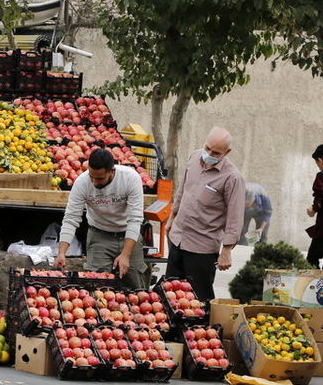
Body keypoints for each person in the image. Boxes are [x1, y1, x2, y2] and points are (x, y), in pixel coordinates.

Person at [165, 127, 245, 308]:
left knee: (198, 300)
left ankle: (201, 333)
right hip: (178, 238)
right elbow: (182, 190)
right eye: (207, 148)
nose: (209, 154)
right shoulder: (194, 158)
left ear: (227, 152)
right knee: (170, 293)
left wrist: (227, 250)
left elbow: (235, 217)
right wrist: (172, 216)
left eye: (216, 152)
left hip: (202, 247)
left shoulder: (232, 178)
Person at [54, 148, 146, 289]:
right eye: (92, 176)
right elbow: (71, 218)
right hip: (99, 235)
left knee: (135, 285)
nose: (95, 182)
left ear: (112, 171)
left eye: (100, 178)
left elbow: (135, 219)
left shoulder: (130, 178)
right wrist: (61, 252)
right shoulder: (82, 183)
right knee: (94, 286)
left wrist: (126, 255)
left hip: (128, 235)